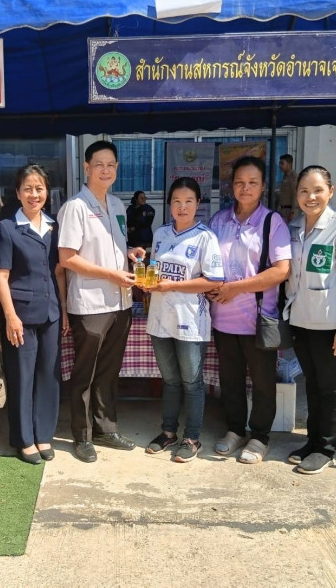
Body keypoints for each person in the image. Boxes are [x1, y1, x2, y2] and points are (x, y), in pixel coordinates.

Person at [57, 140, 146, 463]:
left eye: (111, 165)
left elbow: (109, 247)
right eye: (99, 164)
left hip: (120, 303)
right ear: (86, 168)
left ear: (117, 168)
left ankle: (106, 429)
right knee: (85, 374)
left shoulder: (118, 205)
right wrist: (111, 274)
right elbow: (67, 258)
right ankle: (82, 436)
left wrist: (129, 252)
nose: (105, 170)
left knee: (109, 371)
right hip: (91, 304)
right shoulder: (75, 207)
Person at [208, 156, 291, 465]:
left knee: (262, 383)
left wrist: (235, 288)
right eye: (240, 182)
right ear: (231, 186)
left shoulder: (272, 222)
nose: (245, 188)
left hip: (257, 320)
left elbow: (280, 270)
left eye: (252, 182)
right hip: (222, 318)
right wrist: (210, 286)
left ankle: (259, 437)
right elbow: (206, 261)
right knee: (229, 380)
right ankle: (234, 429)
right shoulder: (219, 220)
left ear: (263, 186)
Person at [284, 165, 336, 475]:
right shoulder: (294, 227)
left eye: (317, 190)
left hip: (330, 323)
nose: (310, 197)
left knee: (330, 387)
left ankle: (325, 448)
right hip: (300, 319)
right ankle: (312, 441)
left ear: (330, 191)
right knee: (313, 384)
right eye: (304, 191)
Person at [143, 177, 224, 462]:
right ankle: (168, 433)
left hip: (191, 320)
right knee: (170, 380)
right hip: (160, 318)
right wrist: (149, 280)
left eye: (189, 201)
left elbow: (214, 280)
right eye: (177, 201)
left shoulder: (205, 237)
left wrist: (172, 285)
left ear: (198, 203)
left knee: (192, 382)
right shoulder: (161, 233)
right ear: (169, 204)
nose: (182, 207)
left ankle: (192, 438)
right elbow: (154, 268)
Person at [0, 165, 68, 465]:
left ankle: (43, 435)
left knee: (49, 376)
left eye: (39, 188)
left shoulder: (53, 226)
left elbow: (59, 272)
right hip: (21, 315)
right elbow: (1, 276)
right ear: (18, 193)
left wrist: (64, 309)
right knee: (22, 378)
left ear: (47, 192)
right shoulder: (7, 228)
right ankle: (24, 439)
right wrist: (10, 316)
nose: (34, 194)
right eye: (28, 188)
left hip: (51, 313)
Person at [277, 154, 299, 222]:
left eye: (282, 163)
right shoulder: (285, 176)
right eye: (279, 163)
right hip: (282, 210)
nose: (280, 166)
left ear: (289, 164)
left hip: (289, 211)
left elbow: (295, 196)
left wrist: (293, 212)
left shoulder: (293, 177)